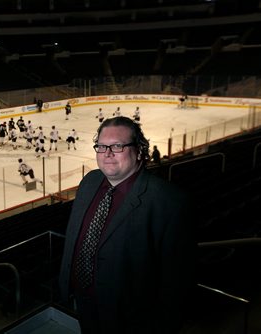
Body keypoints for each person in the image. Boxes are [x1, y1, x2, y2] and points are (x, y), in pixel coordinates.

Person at [59, 116, 195, 334]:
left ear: (140, 150)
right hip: (84, 303)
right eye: (101, 146)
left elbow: (177, 282)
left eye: (118, 146)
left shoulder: (169, 202)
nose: (107, 154)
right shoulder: (90, 181)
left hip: (132, 318)